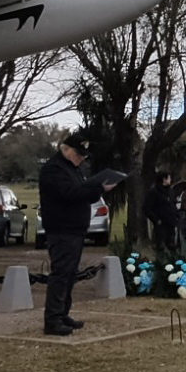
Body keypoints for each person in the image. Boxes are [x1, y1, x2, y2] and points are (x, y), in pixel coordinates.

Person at [37, 133, 118, 336]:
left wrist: (97, 189)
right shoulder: (53, 170)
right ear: (65, 149)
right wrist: (98, 188)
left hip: (75, 228)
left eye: (83, 156)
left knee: (70, 274)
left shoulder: (73, 169)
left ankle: (62, 313)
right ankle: (52, 320)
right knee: (61, 274)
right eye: (78, 154)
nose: (81, 159)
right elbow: (70, 194)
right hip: (61, 228)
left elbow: (82, 192)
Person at [142, 170, 178, 259]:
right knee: (160, 246)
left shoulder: (170, 190)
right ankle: (161, 263)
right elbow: (147, 208)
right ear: (164, 179)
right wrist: (156, 220)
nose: (170, 180)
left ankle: (173, 262)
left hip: (171, 222)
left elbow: (173, 203)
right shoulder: (153, 191)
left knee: (172, 245)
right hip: (161, 223)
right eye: (168, 178)